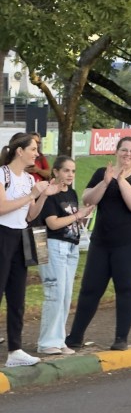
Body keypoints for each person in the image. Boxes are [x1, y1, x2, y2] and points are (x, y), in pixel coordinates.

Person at [67, 136, 131, 351]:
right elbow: (88, 199)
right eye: (124, 150)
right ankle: (75, 336)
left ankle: (121, 338)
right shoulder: (101, 173)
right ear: (116, 151)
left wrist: (121, 181)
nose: (128, 154)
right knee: (90, 289)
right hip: (101, 243)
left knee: (125, 289)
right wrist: (106, 182)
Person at [0, 133, 59, 367]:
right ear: (19, 151)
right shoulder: (3, 174)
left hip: (20, 237)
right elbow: (2, 207)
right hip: (2, 235)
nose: (37, 153)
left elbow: (30, 215)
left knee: (17, 297)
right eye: (33, 149)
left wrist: (42, 196)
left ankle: (15, 350)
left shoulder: (28, 179)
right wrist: (32, 194)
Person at [37, 156, 94, 356]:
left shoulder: (71, 192)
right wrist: (77, 215)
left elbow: (70, 220)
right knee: (55, 293)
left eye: (73, 171)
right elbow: (53, 223)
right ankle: (47, 342)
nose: (70, 174)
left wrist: (83, 216)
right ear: (55, 172)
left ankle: (59, 339)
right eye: (66, 170)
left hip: (71, 247)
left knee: (65, 295)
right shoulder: (49, 194)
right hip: (52, 245)